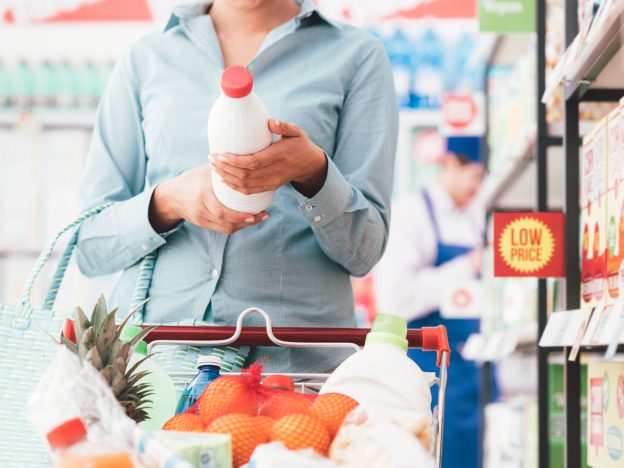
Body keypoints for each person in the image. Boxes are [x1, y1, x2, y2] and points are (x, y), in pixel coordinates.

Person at [75, 0, 398, 372]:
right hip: (156, 370)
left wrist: (313, 171)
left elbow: (365, 252)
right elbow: (88, 246)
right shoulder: (148, 58)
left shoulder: (356, 56)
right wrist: (167, 203)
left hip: (293, 374)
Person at [374, 136, 487, 468]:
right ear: (450, 164)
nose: (478, 187)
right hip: (428, 372)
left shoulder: (474, 218)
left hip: (471, 372)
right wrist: (467, 266)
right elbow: (397, 299)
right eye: (475, 177)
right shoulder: (412, 214)